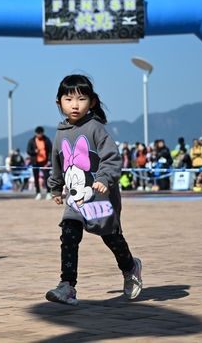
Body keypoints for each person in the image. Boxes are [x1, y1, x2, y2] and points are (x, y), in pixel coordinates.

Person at [46, 74, 142, 306]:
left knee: (111, 237)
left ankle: (130, 267)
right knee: (69, 235)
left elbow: (112, 157)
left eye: (81, 99)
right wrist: (56, 187)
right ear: (59, 102)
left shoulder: (96, 128)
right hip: (75, 200)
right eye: (69, 99)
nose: (75, 105)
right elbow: (57, 163)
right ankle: (67, 286)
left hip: (100, 197)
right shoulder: (60, 133)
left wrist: (104, 178)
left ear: (92, 102)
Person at [27, 126, 53, 200]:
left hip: (45, 162)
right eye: (38, 133)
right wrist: (34, 152)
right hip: (35, 162)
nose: (39, 135)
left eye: (40, 133)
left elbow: (51, 150)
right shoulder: (32, 141)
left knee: (47, 177)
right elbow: (28, 151)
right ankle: (38, 193)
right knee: (36, 178)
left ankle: (48, 192)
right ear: (35, 133)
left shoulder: (46, 140)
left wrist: (49, 160)